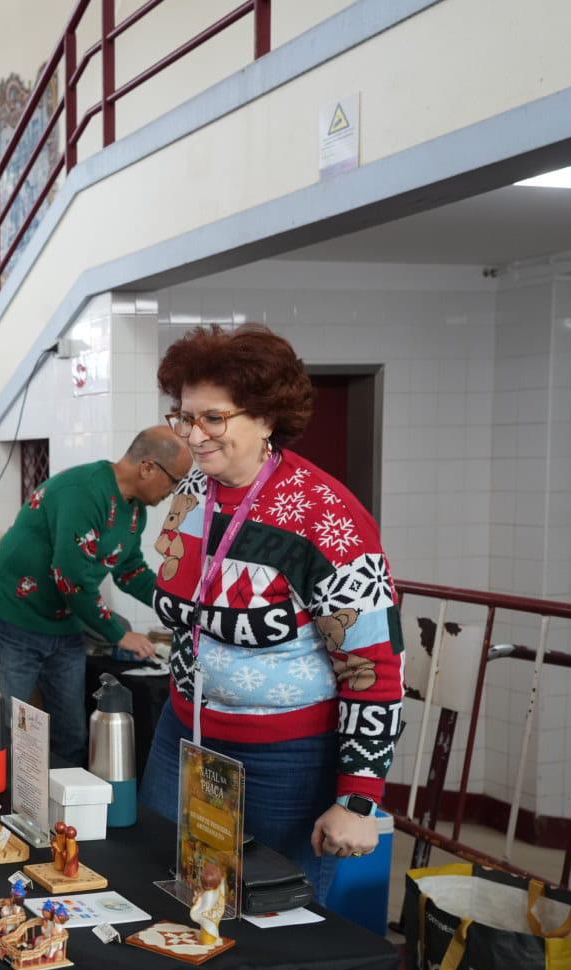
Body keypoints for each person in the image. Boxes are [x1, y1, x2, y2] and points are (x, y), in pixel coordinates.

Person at [138, 324, 405, 895]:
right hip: (184, 733)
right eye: (185, 417)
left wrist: (359, 798)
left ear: (265, 418)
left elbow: (375, 665)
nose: (195, 435)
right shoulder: (193, 491)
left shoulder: (325, 517)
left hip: (284, 761)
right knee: (162, 893)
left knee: (270, 918)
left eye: (214, 418)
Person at [0, 426, 191, 764]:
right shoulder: (84, 492)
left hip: (66, 626)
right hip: (14, 619)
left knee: (72, 734)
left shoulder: (135, 511)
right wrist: (119, 634)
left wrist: (177, 606)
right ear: (148, 468)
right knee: (4, 729)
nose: (174, 492)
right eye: (175, 481)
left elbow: (130, 570)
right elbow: (71, 579)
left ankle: (64, 798)